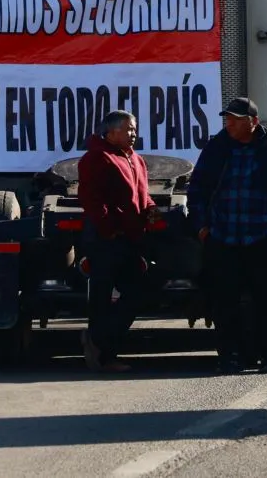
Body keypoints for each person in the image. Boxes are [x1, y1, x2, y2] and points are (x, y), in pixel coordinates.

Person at [187, 97, 267, 375]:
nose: (228, 123)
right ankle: (230, 356)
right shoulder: (217, 147)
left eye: (234, 119)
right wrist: (202, 227)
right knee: (224, 301)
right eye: (227, 118)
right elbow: (198, 189)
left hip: (262, 237)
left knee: (266, 299)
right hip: (223, 237)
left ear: (252, 122)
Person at [77, 110, 160, 373]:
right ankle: (104, 356)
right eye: (128, 129)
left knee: (138, 291)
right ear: (110, 132)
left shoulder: (135, 159)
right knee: (101, 298)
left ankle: (98, 341)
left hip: (131, 239)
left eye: (134, 129)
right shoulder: (97, 158)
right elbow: (91, 200)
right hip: (106, 240)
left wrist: (150, 208)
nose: (133, 134)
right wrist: (109, 229)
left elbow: (142, 195)